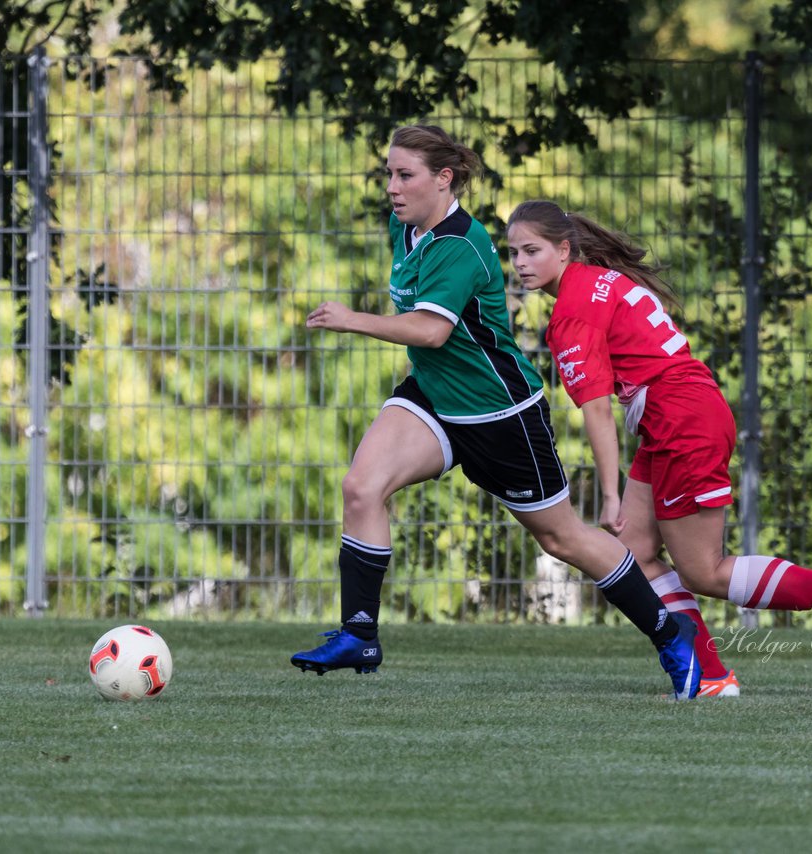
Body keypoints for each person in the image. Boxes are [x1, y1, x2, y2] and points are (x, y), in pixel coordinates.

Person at [290, 125, 705, 700]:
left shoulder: (464, 245)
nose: (392, 186)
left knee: (563, 540)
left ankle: (670, 631)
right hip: (434, 398)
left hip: (499, 413)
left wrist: (350, 317)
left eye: (404, 174)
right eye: (388, 173)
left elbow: (432, 330)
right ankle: (359, 633)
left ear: (444, 179)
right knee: (362, 487)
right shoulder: (406, 228)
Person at [505, 200, 812, 683]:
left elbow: (597, 412)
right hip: (680, 416)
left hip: (682, 423)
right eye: (514, 252)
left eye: (531, 250)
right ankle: (708, 677)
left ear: (563, 249)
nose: (520, 263)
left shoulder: (573, 313)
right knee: (634, 552)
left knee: (704, 571)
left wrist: (607, 492)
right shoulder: (598, 280)